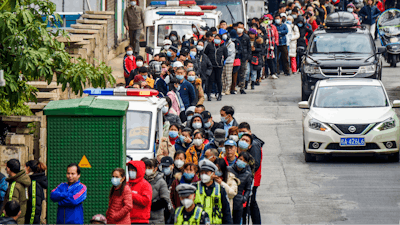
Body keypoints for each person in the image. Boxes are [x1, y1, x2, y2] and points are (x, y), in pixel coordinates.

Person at [238, 122, 264, 225]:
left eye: (244, 132)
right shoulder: (241, 144)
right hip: (248, 179)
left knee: (251, 203)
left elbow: (255, 164)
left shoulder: (254, 145)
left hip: (253, 179)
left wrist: (248, 177)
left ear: (249, 132)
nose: (241, 134)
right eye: (240, 132)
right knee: (251, 203)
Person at [193, 159, 233, 224]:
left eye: (206, 173)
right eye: (202, 173)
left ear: (213, 173)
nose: (203, 175)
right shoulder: (194, 188)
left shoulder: (220, 190)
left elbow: (226, 212)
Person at [142, 158, 172, 224]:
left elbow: (165, 200)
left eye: (149, 168)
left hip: (156, 219)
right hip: (143, 218)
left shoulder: (161, 182)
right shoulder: (141, 181)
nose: (147, 170)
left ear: (155, 169)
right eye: (145, 168)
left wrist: (150, 205)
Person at [0, 159, 30, 224]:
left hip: (14, 220)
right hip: (20, 218)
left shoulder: (14, 185)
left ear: (8, 169)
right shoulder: (22, 181)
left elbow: (11, 207)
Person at [228, 152, 253, 224]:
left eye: (244, 161)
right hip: (228, 200)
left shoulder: (247, 175)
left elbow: (248, 189)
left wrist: (244, 198)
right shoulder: (228, 169)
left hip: (238, 203)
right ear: (237, 159)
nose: (242, 161)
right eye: (240, 159)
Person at [205, 34, 228, 101]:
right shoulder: (209, 45)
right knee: (210, 80)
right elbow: (205, 54)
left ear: (221, 40)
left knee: (218, 80)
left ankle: (219, 94)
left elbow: (226, 55)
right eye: (215, 38)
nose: (216, 40)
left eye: (218, 38)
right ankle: (209, 94)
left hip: (219, 66)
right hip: (211, 66)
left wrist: (221, 61)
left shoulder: (223, 47)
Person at [24, 160, 47, 224]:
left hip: (32, 219)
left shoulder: (34, 182)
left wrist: (30, 222)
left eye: (25, 167)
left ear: (29, 168)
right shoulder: (36, 180)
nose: (24, 169)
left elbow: (34, 206)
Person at [237, 22, 251, 94]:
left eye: (241, 28)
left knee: (243, 72)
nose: (240, 29)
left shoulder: (246, 37)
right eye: (239, 27)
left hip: (244, 57)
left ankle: (242, 87)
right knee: (235, 72)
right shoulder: (234, 36)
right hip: (236, 57)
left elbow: (249, 48)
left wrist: (248, 57)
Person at [221, 29, 236, 96]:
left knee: (228, 76)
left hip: (229, 61)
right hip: (222, 61)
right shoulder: (222, 43)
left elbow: (228, 52)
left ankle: (228, 89)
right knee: (222, 76)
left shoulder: (231, 44)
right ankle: (223, 89)